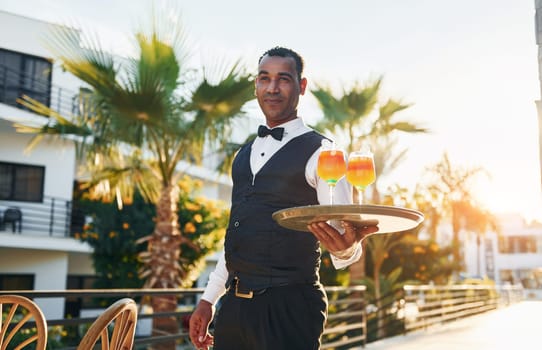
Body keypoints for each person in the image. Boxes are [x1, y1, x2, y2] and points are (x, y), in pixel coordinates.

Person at [189, 46, 378, 350]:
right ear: (256, 86)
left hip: (289, 308)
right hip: (234, 311)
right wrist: (208, 300)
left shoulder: (325, 153)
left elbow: (343, 240)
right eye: (264, 78)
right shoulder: (243, 155)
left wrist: (346, 251)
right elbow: (236, 239)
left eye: (284, 79)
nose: (272, 88)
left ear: (301, 86)